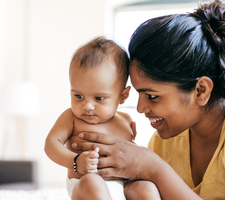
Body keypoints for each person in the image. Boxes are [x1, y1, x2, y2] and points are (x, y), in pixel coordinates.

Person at [71, 1, 225, 200]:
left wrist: (154, 168)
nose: (141, 108)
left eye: (152, 96)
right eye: (139, 94)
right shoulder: (166, 139)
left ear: (201, 90)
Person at [44, 37, 161, 200]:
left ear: (123, 96)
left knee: (147, 188)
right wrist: (76, 161)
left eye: (98, 98)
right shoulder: (71, 117)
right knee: (93, 182)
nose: (88, 106)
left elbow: (129, 153)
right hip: (84, 186)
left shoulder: (126, 120)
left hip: (123, 186)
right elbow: (51, 144)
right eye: (78, 96)